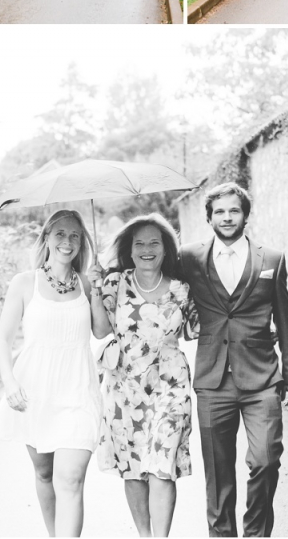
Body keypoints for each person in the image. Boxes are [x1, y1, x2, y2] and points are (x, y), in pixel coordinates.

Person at [179, 182, 288, 538]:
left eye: (234, 210)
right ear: (209, 218)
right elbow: (150, 273)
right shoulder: (188, 258)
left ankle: (256, 534)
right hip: (212, 379)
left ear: (246, 215)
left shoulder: (272, 260)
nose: (227, 217)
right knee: (217, 474)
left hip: (262, 377)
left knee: (266, 459)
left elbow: (285, 317)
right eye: (219, 211)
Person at [0, 209, 105, 537]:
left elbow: (100, 331)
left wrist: (97, 289)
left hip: (78, 392)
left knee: (70, 478)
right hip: (35, 393)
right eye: (60, 234)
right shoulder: (25, 283)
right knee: (44, 475)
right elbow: (2, 340)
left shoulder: (86, 282)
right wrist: (10, 381)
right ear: (46, 238)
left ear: (82, 241)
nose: (67, 242)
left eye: (74, 235)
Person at [89, 214, 199, 538]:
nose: (147, 249)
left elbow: (196, 329)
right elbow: (99, 329)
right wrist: (95, 290)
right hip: (124, 388)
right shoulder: (114, 283)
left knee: (162, 467)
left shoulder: (182, 289)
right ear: (130, 249)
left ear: (167, 249)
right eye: (140, 243)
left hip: (171, 386)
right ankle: (145, 536)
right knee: (134, 469)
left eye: (155, 242)